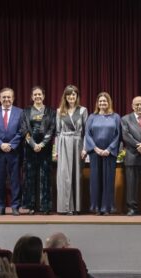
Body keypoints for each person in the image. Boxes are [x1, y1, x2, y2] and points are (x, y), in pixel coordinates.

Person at [0, 88, 23, 216]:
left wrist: (11, 145)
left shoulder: (20, 112)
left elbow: (22, 131)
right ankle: (0, 207)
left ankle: (15, 206)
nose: (6, 99)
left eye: (9, 97)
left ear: (13, 98)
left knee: (15, 180)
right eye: (4, 97)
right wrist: (0, 144)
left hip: (14, 152)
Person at [20, 86, 56, 215]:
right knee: (30, 177)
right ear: (32, 97)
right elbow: (24, 128)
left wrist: (42, 144)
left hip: (45, 149)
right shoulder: (26, 111)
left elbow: (52, 128)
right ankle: (30, 206)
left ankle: (45, 206)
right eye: (35, 94)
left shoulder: (51, 111)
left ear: (43, 96)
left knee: (45, 177)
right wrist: (33, 144)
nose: (37, 96)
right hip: (30, 148)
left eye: (39, 94)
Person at [84, 92, 120, 215]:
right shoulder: (92, 117)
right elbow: (87, 134)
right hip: (95, 153)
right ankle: (96, 207)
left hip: (109, 154)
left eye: (104, 101)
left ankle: (107, 207)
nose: (102, 103)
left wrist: (109, 149)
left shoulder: (115, 117)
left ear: (109, 102)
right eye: (100, 101)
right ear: (97, 103)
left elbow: (118, 135)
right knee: (95, 180)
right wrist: (95, 148)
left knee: (108, 180)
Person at [55, 85, 88, 215]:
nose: (71, 97)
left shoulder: (83, 110)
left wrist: (85, 148)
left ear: (77, 96)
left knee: (76, 175)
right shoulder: (60, 111)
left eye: (73, 94)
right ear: (65, 96)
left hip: (77, 143)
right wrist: (56, 150)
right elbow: (58, 132)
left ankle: (76, 207)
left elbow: (86, 132)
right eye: (69, 94)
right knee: (64, 176)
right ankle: (66, 207)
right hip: (63, 143)